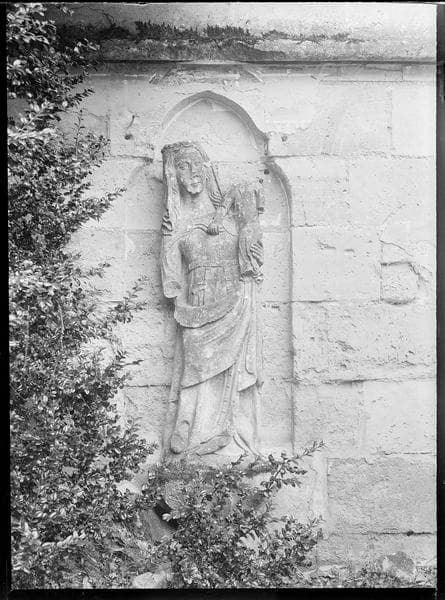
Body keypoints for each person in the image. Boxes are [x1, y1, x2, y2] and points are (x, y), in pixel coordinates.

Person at [160, 141, 263, 457]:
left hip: (235, 300)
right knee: (194, 367)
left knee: (230, 371)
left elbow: (253, 255)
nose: (191, 172)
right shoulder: (176, 223)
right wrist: (171, 235)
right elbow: (171, 283)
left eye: (195, 164)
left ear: (207, 169)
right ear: (174, 177)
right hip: (197, 304)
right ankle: (189, 435)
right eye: (182, 166)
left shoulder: (231, 212)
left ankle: (229, 439)